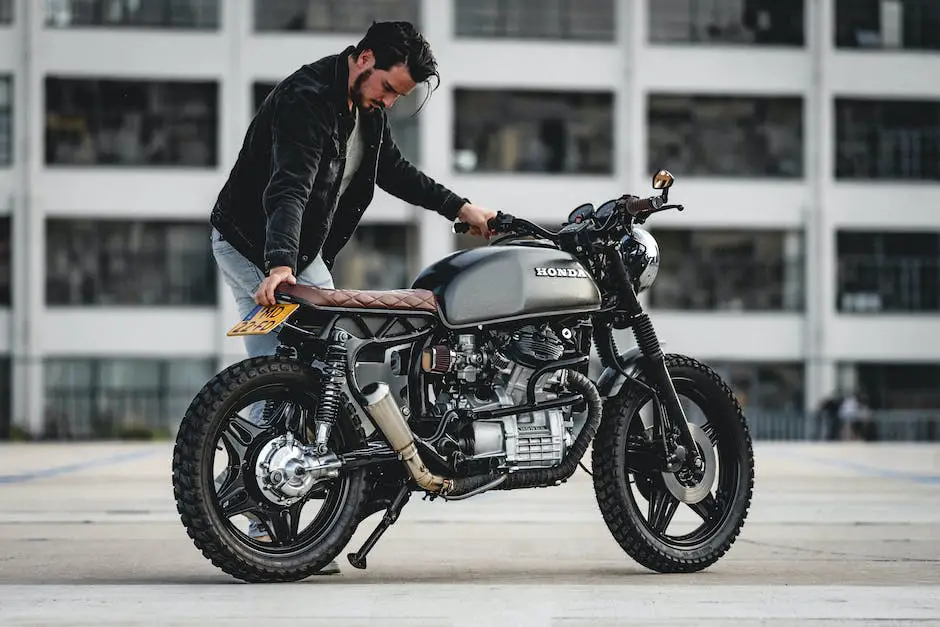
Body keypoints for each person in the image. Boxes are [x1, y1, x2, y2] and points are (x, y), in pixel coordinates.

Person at [208, 21, 496, 574]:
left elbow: (392, 170)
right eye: (388, 87)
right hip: (252, 243)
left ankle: (297, 503)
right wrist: (280, 264)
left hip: (297, 250)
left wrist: (461, 208)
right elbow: (288, 185)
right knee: (287, 371)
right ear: (364, 58)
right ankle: (259, 507)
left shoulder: (366, 108)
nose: (388, 101)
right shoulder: (306, 99)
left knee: (320, 367)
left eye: (398, 96)